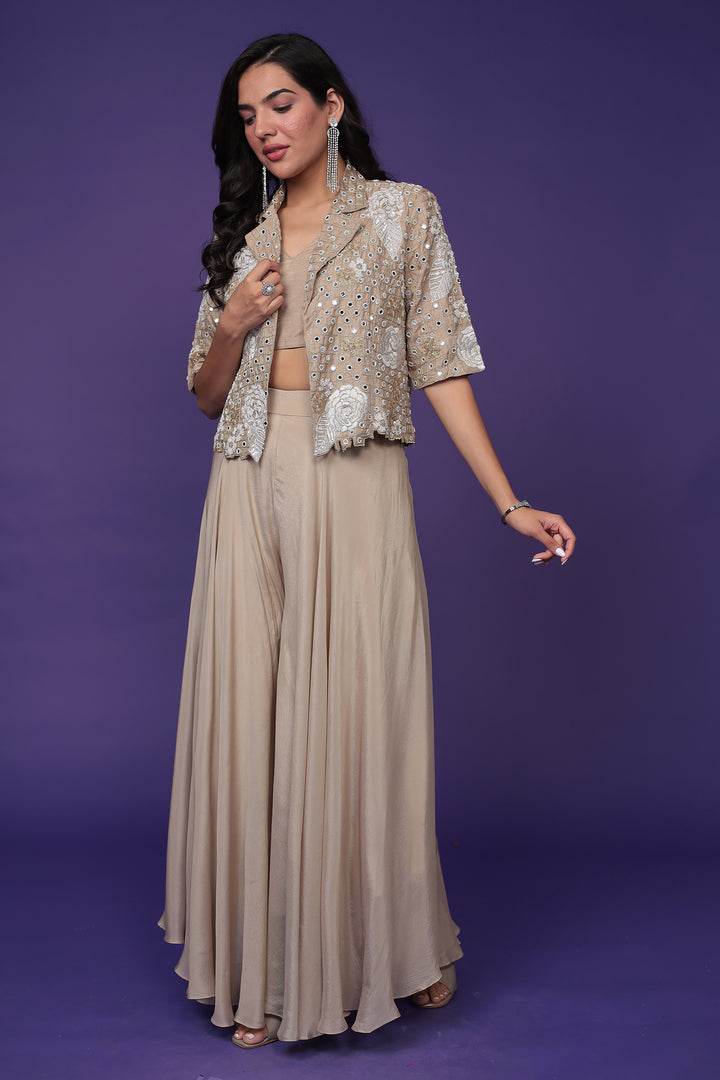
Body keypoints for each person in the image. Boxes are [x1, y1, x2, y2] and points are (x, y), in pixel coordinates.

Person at [157, 31, 576, 1049]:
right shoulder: (243, 240)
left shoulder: (403, 214)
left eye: (281, 104)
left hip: (356, 476)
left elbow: (441, 364)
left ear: (331, 106)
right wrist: (232, 325)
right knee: (254, 716)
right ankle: (261, 975)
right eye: (247, 116)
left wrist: (508, 502)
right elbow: (207, 398)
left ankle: (399, 950)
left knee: (361, 711)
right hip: (248, 477)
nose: (265, 129)